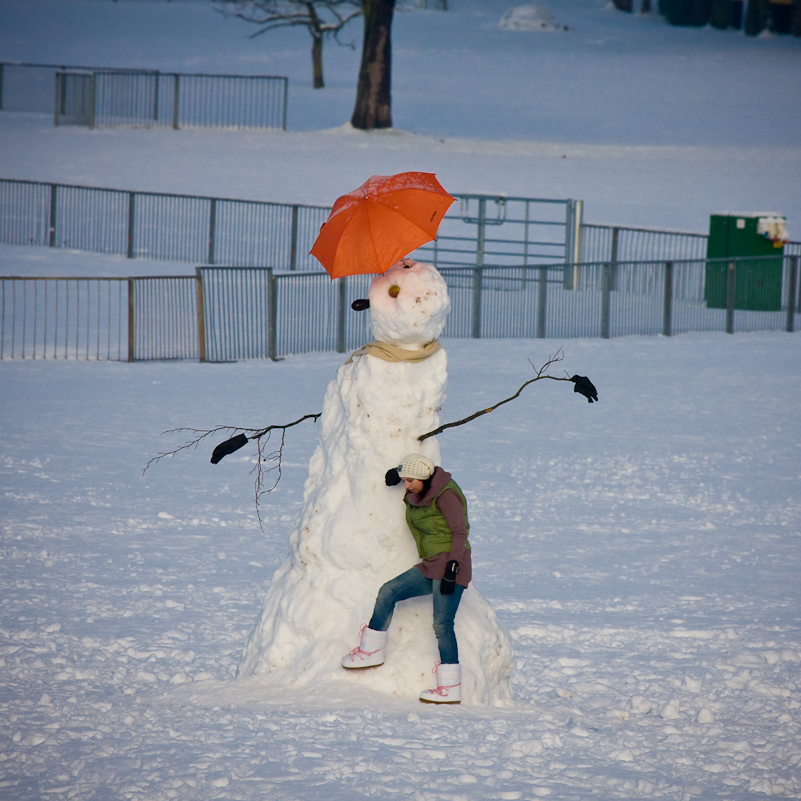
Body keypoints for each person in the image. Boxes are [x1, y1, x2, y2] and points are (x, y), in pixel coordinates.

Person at [341, 453, 472, 704]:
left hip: (451, 567)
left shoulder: (446, 495)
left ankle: (450, 687)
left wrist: (454, 566)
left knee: (442, 625)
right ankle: (371, 651)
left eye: (410, 480)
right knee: (388, 591)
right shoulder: (424, 486)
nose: (407, 485)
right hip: (432, 564)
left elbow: (459, 532)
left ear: (424, 478)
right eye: (405, 480)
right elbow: (415, 470)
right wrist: (397, 472)